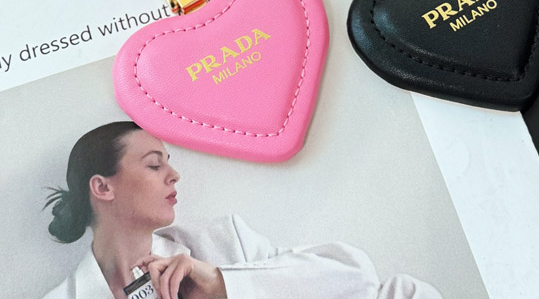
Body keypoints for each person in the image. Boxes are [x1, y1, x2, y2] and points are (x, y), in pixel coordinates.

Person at [42, 121, 442, 299]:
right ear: (103, 187)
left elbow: (358, 282)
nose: (174, 175)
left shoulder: (221, 243)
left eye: (169, 162)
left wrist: (223, 286)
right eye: (154, 165)